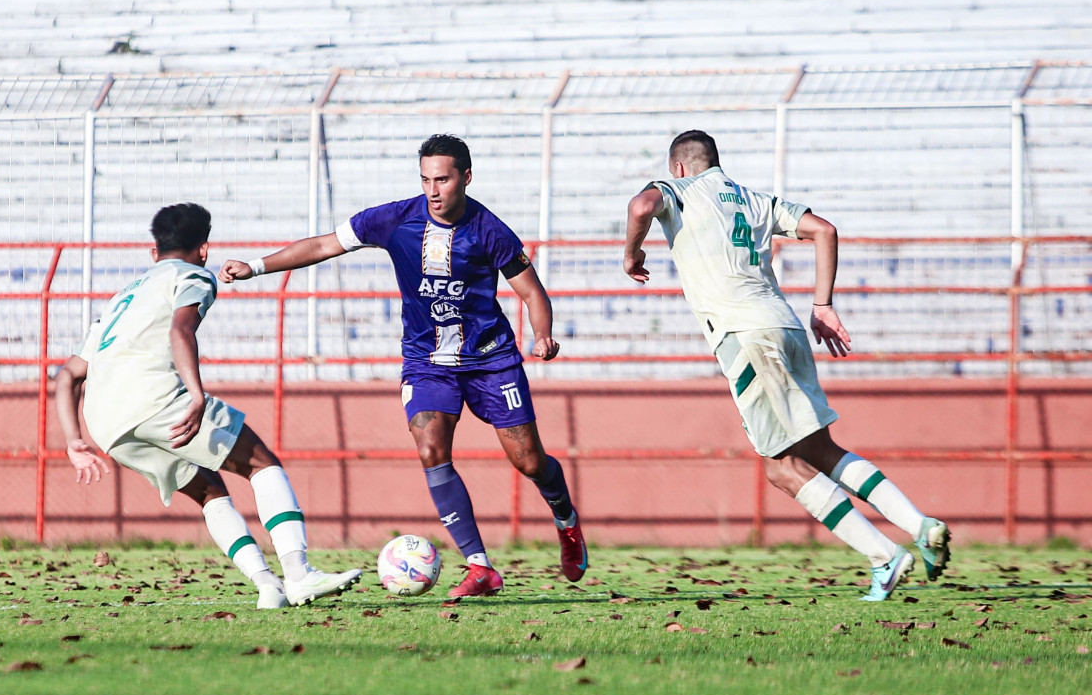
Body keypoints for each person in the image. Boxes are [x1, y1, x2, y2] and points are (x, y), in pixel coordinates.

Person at [219, 134, 587, 598]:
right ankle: (479, 566)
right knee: (431, 448)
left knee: (529, 461)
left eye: (443, 179)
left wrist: (543, 334)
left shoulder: (490, 230)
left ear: (466, 178)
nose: (433, 189)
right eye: (426, 179)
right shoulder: (394, 219)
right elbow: (323, 245)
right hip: (427, 361)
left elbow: (532, 292)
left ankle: (566, 519)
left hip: (491, 360)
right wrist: (255, 267)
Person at [622, 130, 950, 601]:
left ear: (677, 167)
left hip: (745, 335)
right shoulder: (754, 200)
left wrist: (632, 252)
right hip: (789, 327)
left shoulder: (678, 190)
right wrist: (823, 304)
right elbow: (825, 230)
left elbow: (639, 207)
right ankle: (921, 526)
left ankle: (884, 556)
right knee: (820, 450)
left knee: (781, 467)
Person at [55, 202, 362, 609]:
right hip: (154, 397)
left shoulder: (120, 298)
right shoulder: (193, 275)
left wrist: (74, 441)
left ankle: (268, 587)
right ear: (204, 249)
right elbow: (182, 330)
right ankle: (299, 574)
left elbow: (67, 375)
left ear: (154, 253)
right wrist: (196, 394)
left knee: (209, 491)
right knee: (260, 464)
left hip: (105, 423)